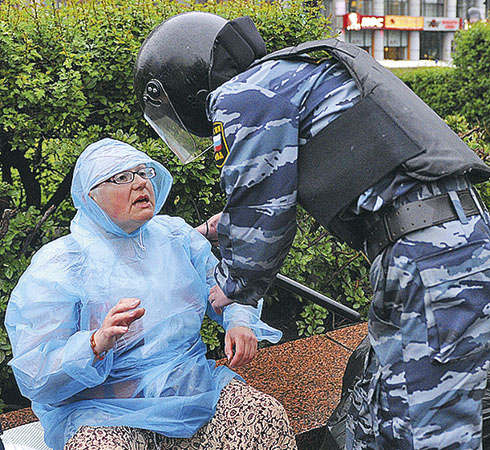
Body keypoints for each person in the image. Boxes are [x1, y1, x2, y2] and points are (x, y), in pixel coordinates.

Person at [133, 12, 490, 450]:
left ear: (180, 88)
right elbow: (273, 192)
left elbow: (261, 211)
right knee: (382, 413)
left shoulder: (244, 95)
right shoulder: (288, 76)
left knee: (427, 431)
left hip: (429, 257)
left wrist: (232, 286)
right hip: (439, 246)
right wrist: (214, 228)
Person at [5, 138, 297, 450]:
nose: (141, 182)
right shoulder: (60, 264)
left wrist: (239, 321)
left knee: (262, 415)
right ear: (91, 195)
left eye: (143, 172)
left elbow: (227, 288)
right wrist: (95, 344)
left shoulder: (175, 236)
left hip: (189, 392)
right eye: (122, 177)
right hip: (104, 411)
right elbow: (36, 376)